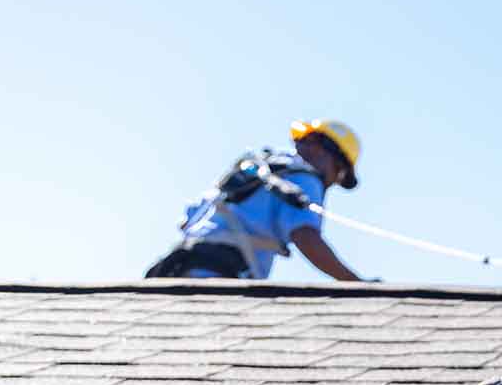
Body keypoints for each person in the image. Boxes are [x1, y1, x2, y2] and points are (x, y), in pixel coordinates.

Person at [146, 119, 368, 282]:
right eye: (339, 174)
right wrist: (356, 285)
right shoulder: (304, 178)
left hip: (175, 270)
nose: (332, 183)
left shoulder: (256, 170)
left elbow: (188, 220)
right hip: (219, 280)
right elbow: (306, 237)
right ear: (329, 154)